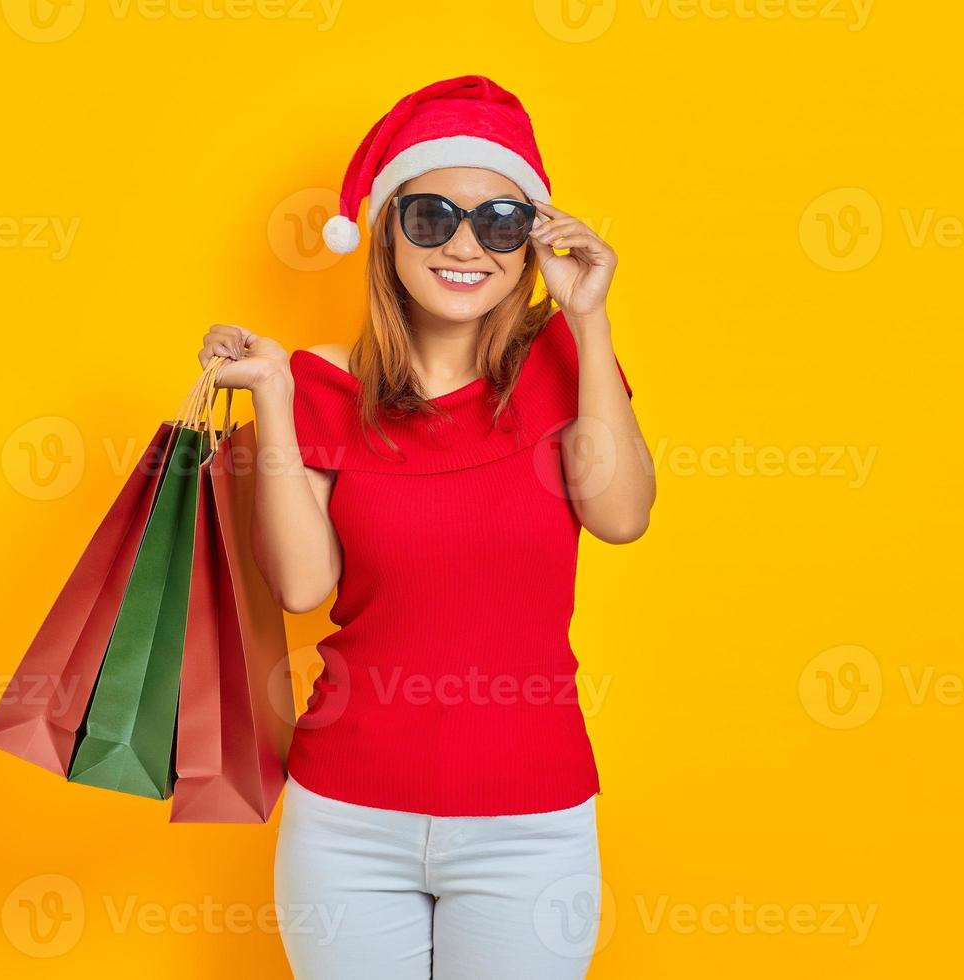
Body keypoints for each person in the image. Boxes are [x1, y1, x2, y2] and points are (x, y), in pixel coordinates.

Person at [196, 75, 654, 980]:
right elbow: (299, 587)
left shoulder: (566, 362)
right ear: (386, 233)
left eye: (499, 222)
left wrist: (588, 319)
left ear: (531, 242)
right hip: (348, 823)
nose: (465, 245)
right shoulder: (321, 384)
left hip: (531, 821)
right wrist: (277, 401)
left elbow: (622, 516)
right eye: (433, 215)